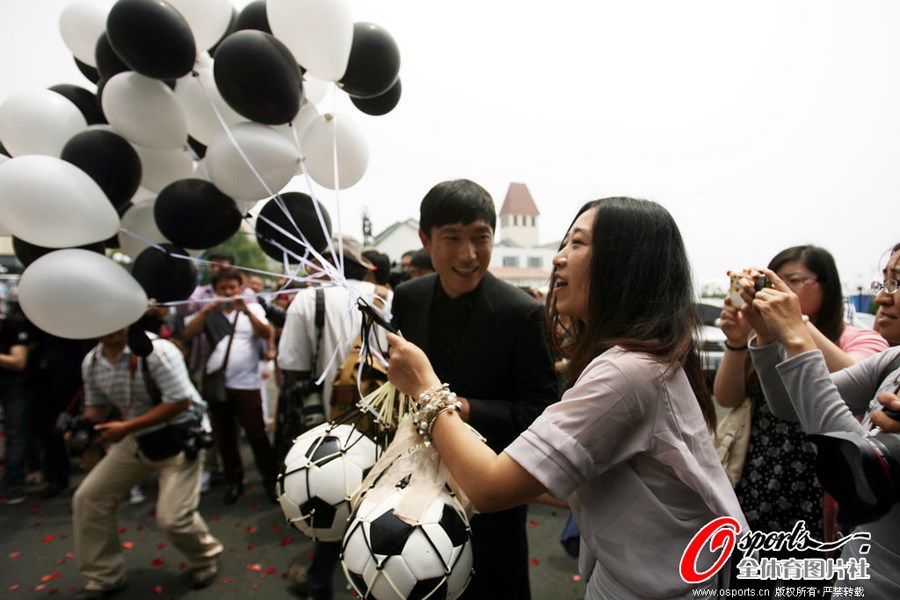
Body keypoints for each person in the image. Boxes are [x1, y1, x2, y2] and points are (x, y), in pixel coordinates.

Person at [388, 196, 746, 598]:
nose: (558, 258)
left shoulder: (627, 373)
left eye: (577, 243)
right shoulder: (639, 361)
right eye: (563, 243)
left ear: (625, 265)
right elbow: (564, 479)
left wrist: (426, 388)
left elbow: (489, 488)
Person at [389, 179, 560, 599]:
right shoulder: (407, 298)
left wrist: (462, 408)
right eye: (452, 239)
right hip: (412, 483)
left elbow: (540, 411)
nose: (468, 255)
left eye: (480, 238)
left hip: (488, 498)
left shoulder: (523, 313)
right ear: (425, 239)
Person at [714, 245, 887, 580]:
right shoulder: (763, 336)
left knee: (807, 580)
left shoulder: (858, 339)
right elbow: (730, 397)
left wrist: (796, 326)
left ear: (827, 286)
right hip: (760, 475)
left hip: (819, 485)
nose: (782, 292)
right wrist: (740, 341)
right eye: (773, 282)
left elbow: (856, 388)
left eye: (794, 281)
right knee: (748, 579)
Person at [70, 327, 222, 599]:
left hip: (179, 436)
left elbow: (178, 402)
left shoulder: (159, 351)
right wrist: (85, 427)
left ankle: (206, 557)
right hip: (135, 440)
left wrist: (126, 427)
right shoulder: (92, 361)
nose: (110, 326)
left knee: (173, 519)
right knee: (89, 497)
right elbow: (96, 406)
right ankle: (104, 576)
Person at [277, 235, 390, 600]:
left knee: (333, 495)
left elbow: (291, 365)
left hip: (327, 419)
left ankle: (319, 579)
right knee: (379, 493)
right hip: (383, 414)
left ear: (322, 264)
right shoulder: (386, 297)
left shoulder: (308, 299)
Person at [182, 267, 276, 505]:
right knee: (226, 437)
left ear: (240, 289)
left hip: (247, 384)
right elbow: (188, 333)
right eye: (223, 289)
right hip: (218, 385)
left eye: (232, 288)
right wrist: (205, 311)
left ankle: (270, 480)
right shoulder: (209, 313)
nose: (228, 292)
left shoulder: (252, 308)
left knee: (256, 434)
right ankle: (234, 482)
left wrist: (246, 312)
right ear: (215, 291)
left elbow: (265, 333)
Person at [0, 293, 32, 504]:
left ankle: (14, 483)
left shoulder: (13, 326)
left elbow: (19, 361)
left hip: (13, 384)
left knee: (15, 432)